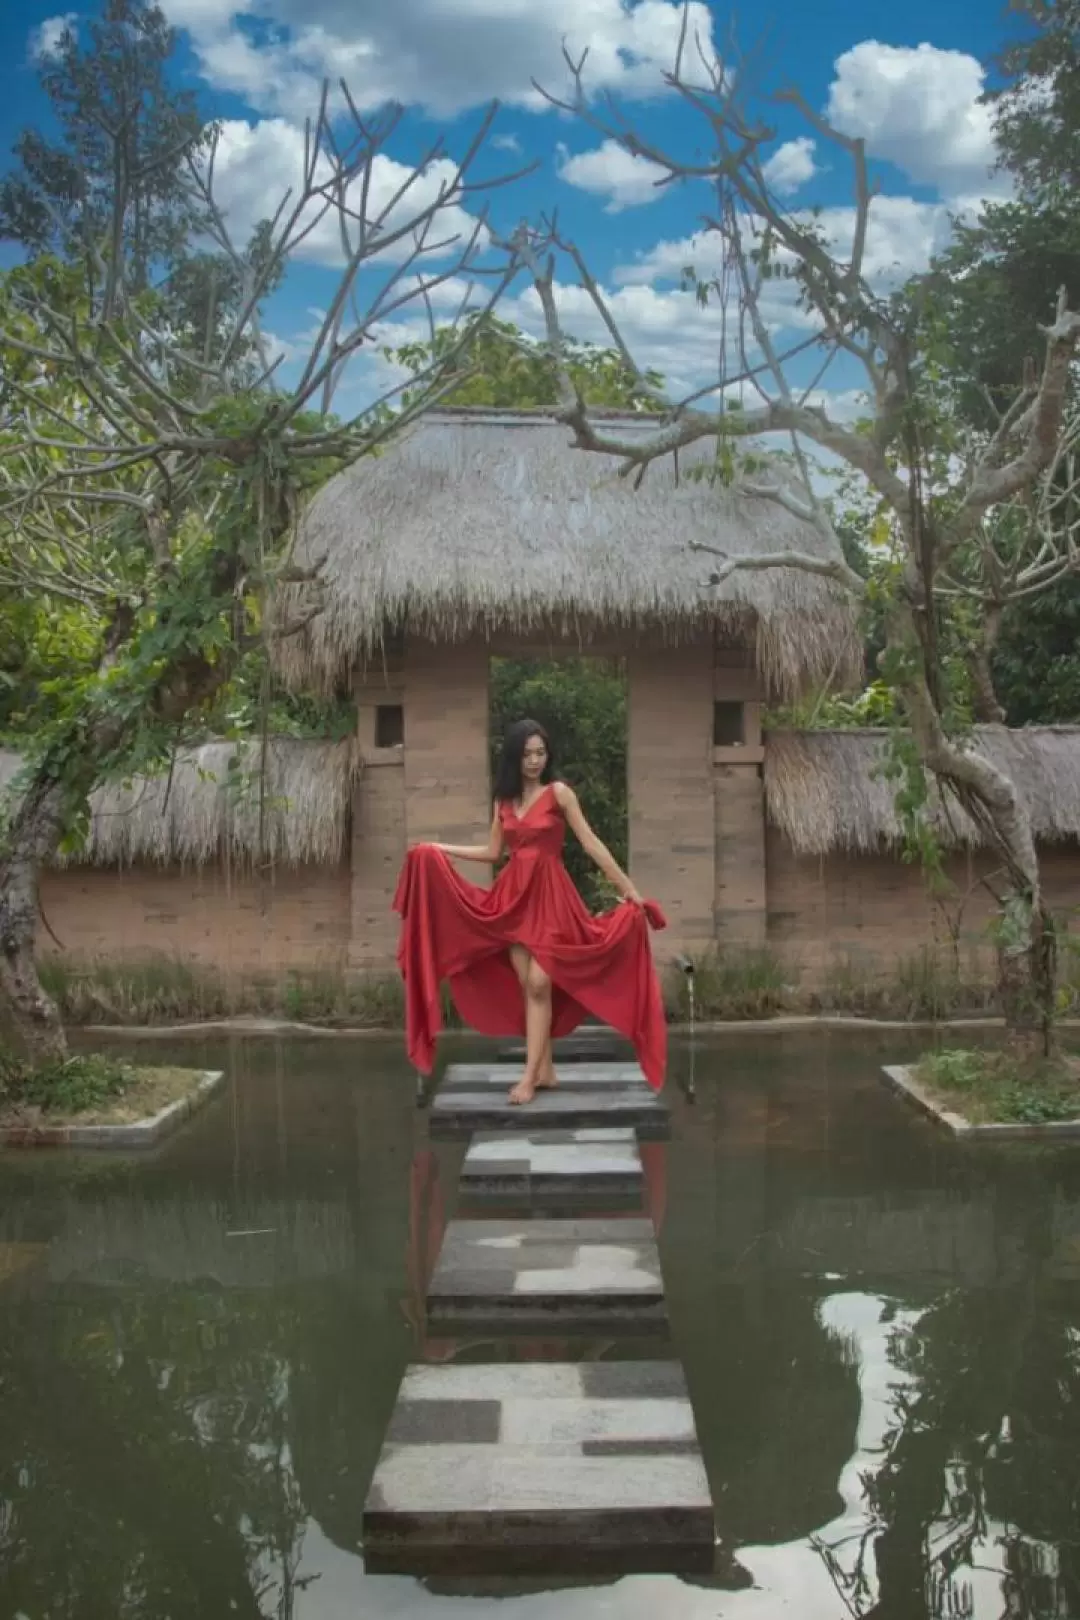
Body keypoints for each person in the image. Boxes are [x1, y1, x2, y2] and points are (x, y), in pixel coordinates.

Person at [392, 718, 668, 1102]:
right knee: (529, 987)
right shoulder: (503, 802)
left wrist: (630, 890)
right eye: (527, 754)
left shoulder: (559, 794)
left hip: (551, 898)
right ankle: (547, 1070)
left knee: (540, 983)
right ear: (514, 758)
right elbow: (493, 853)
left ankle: (528, 1077)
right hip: (513, 902)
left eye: (540, 753)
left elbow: (591, 844)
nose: (535, 760)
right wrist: (439, 849)